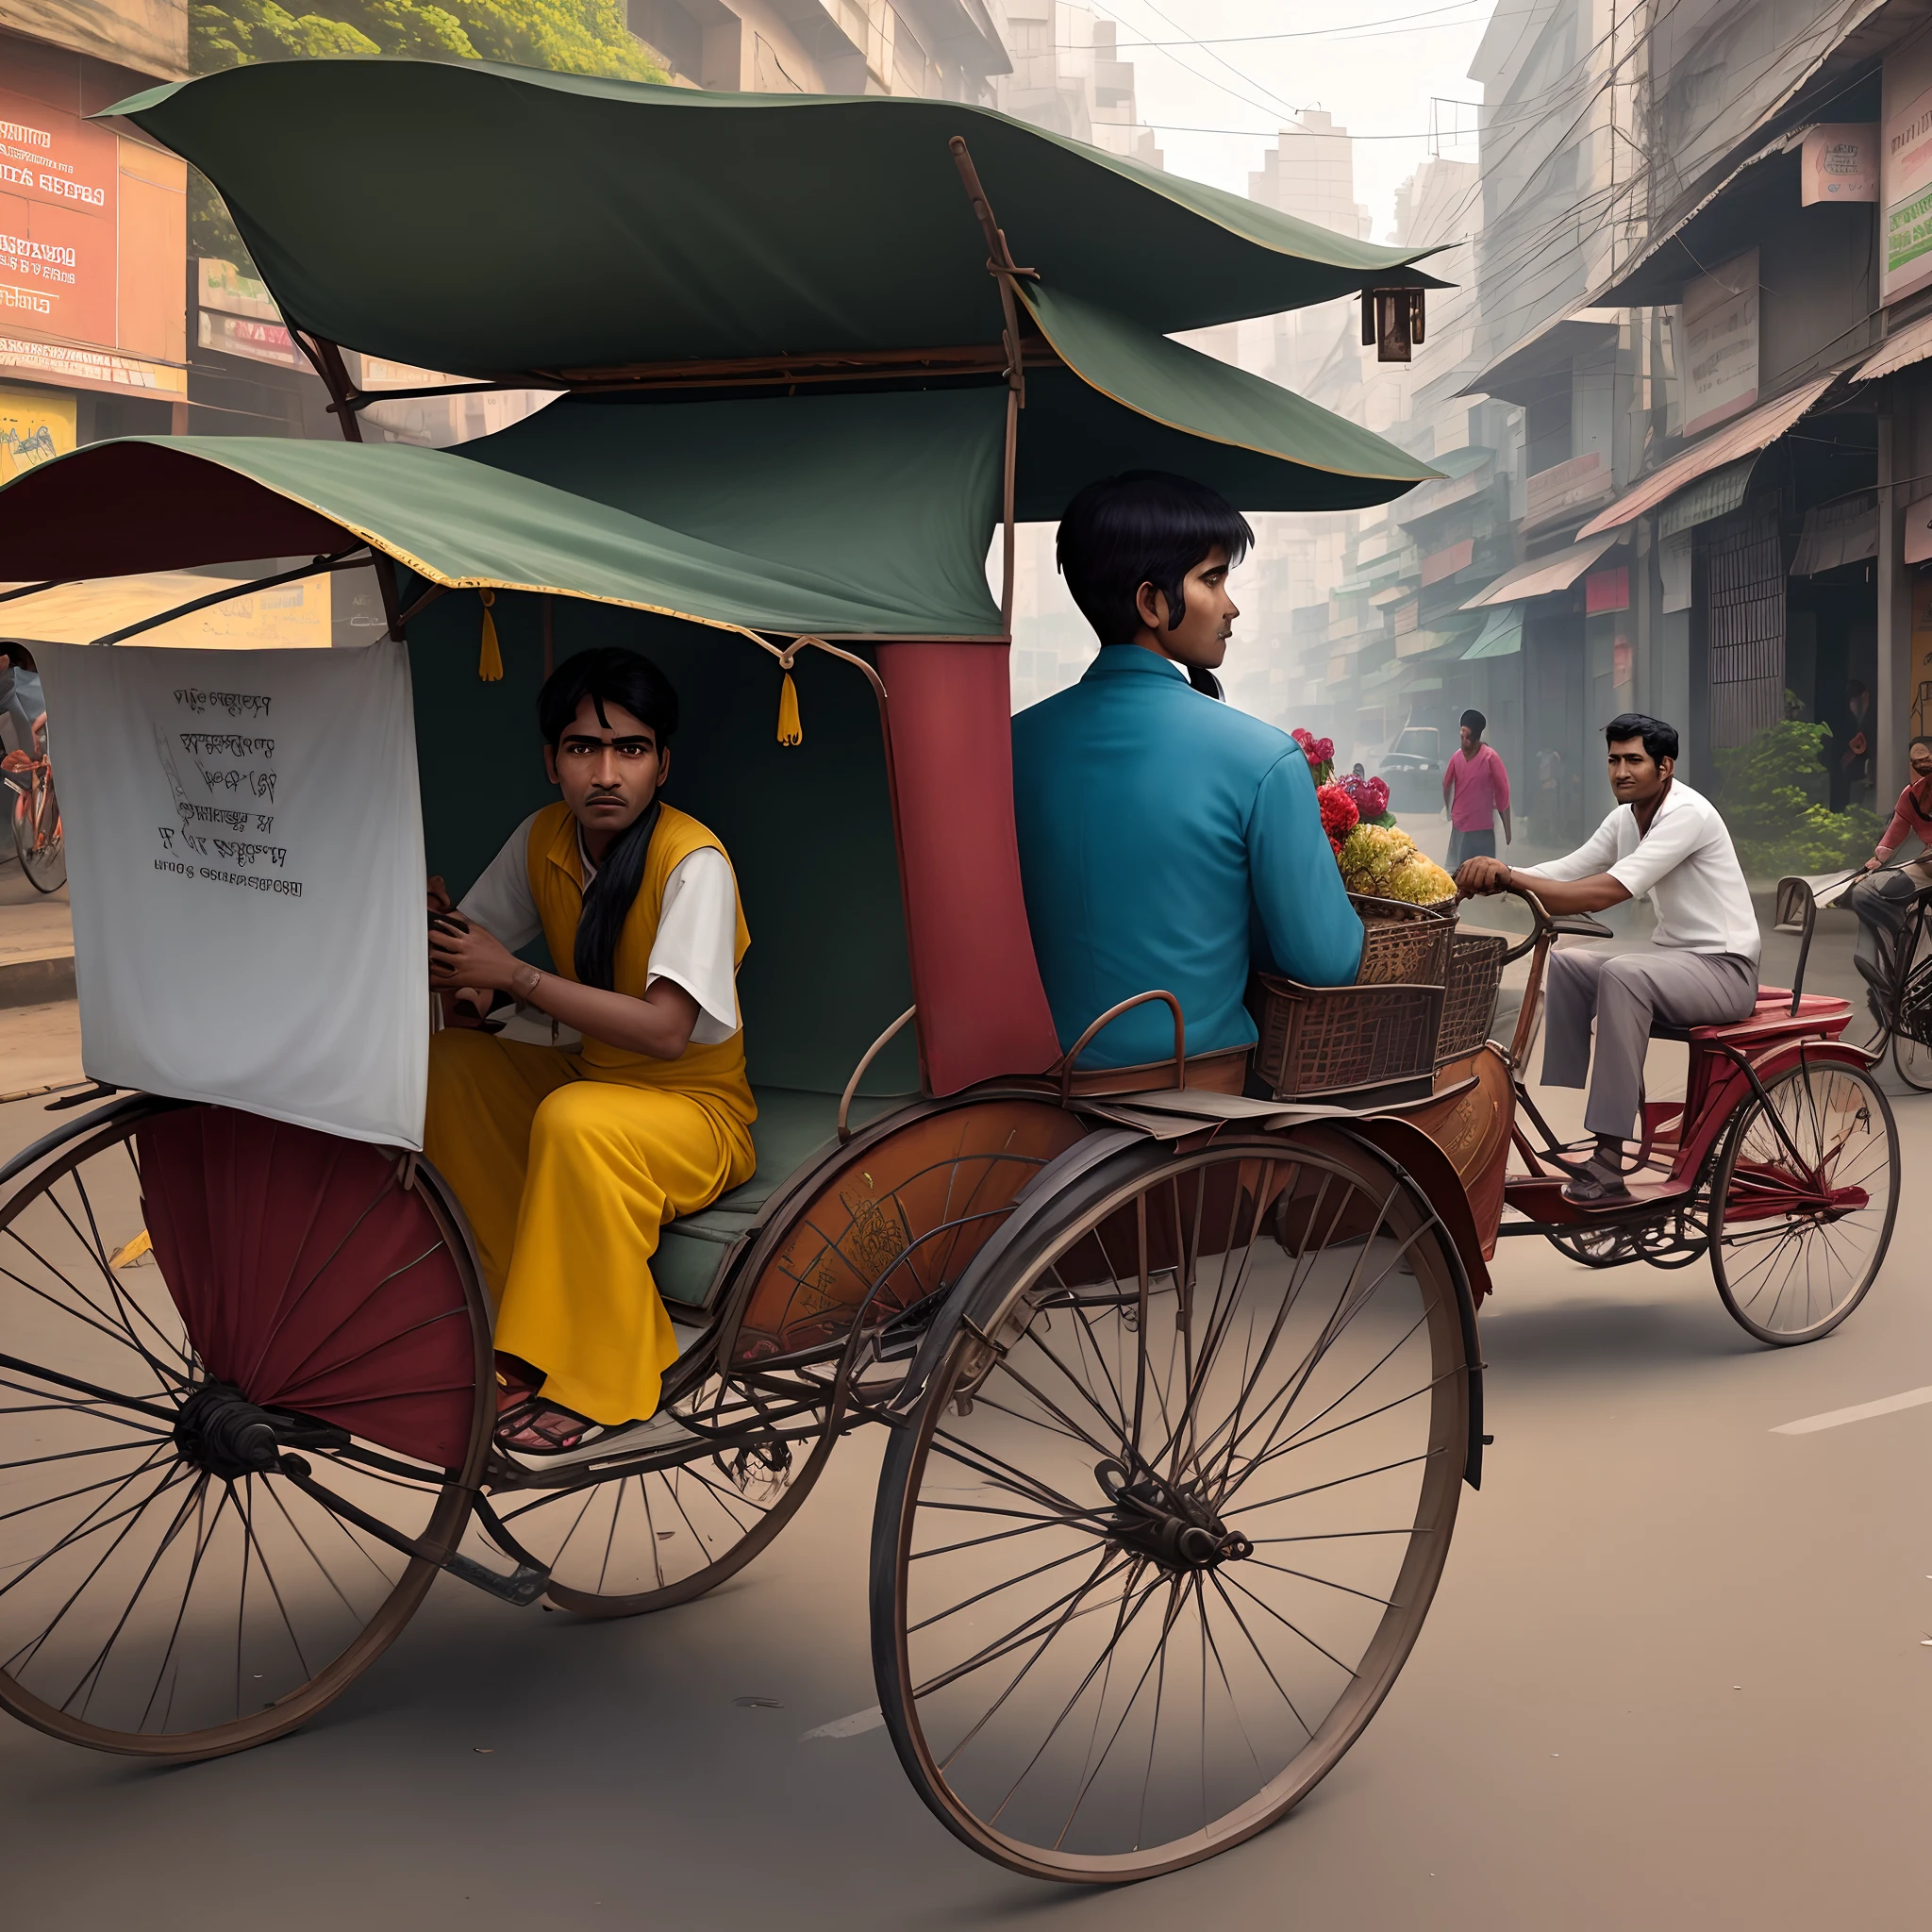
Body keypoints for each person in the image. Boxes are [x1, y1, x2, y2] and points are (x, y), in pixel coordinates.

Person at [423, 647, 756, 1457]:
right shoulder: (542, 839)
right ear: (552, 762)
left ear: (662, 763)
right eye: (583, 749)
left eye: (630, 750)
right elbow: (476, 974)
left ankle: (605, 1378)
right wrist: (450, 963)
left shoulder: (693, 862)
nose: (606, 773)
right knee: (445, 1069)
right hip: (594, 1082)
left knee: (576, 1118)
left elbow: (666, 1030)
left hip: (696, 1114)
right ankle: (505, 1333)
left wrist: (515, 975)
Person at [1010, 471, 1362, 1074]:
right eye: (1212, 578)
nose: (1231, 606)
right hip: (1196, 1101)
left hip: (1036, 1090)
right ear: (1151, 602)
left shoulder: (1008, 748)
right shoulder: (1263, 757)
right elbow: (1327, 963)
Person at [1457, 713, 1759, 1204]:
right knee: (1572, 963)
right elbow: (1568, 870)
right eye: (1614, 760)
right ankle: (1559, 1098)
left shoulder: (1687, 815)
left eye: (1634, 761)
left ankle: (1608, 1158)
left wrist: (1510, 879)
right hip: (1677, 963)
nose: (1621, 771)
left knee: (1623, 975)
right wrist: (1500, 873)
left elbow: (1604, 892)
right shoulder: (1626, 818)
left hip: (1724, 970)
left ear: (1665, 767)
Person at [1847, 733, 1932, 1019]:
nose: (1922, 764)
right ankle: (1895, 968)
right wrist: (1877, 860)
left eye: (1927, 758)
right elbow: (1895, 831)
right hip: (1927, 865)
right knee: (1868, 892)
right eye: (1916, 761)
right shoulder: (1913, 794)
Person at [1441, 708, 1511, 871]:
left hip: (1481, 829)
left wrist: (1508, 829)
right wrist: (1448, 809)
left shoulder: (1490, 758)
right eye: (1462, 736)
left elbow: (1503, 793)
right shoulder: (1457, 757)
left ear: (1478, 737)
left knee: (1482, 875)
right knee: (1458, 875)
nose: (1465, 741)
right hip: (1460, 827)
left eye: (1469, 738)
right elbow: (1446, 784)